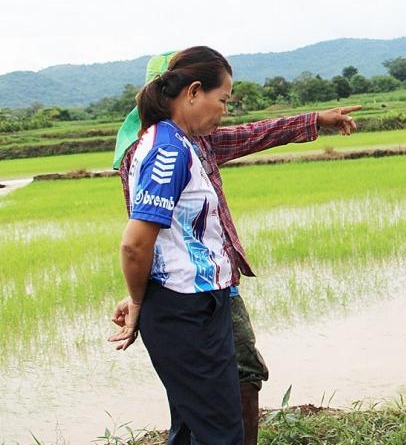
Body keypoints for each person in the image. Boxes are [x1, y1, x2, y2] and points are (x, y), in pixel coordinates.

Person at [108, 46, 359, 444]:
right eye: (222, 99)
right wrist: (141, 298)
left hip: (208, 288)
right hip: (188, 298)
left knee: (197, 408)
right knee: (224, 401)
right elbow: (142, 240)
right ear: (189, 91)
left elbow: (255, 134)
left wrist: (315, 120)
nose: (225, 110)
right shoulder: (163, 150)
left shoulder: (194, 141)